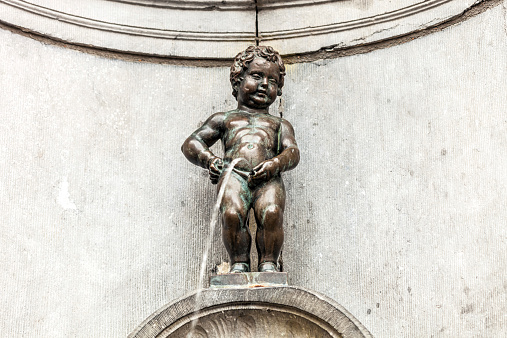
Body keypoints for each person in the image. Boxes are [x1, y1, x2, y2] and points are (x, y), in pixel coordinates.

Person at [182, 46, 299, 273]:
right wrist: (209, 160)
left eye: (273, 81)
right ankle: (239, 263)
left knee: (272, 213)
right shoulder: (225, 119)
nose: (265, 84)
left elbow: (292, 152)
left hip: (269, 176)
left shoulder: (279, 124)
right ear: (238, 80)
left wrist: (275, 164)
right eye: (257, 76)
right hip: (233, 173)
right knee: (231, 214)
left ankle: (268, 263)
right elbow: (192, 143)